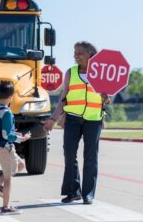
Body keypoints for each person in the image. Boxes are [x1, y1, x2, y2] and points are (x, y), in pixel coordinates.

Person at [43, 41, 110, 205]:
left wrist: (106, 98)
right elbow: (63, 98)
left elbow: (107, 99)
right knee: (70, 154)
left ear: (90, 54)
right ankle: (73, 192)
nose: (76, 56)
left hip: (93, 119)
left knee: (90, 157)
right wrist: (53, 118)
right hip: (72, 118)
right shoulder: (70, 73)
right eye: (75, 53)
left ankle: (88, 193)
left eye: (79, 53)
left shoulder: (101, 73)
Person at [0, 81, 31, 215]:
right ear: (11, 96)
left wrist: (15, 134)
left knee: (20, 164)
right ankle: (5, 207)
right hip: (4, 147)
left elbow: (1, 130)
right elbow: (7, 134)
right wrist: (21, 138)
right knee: (8, 178)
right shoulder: (6, 112)